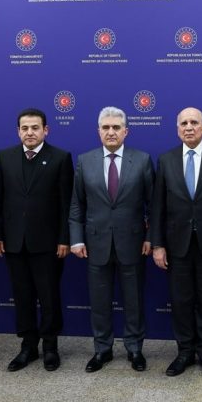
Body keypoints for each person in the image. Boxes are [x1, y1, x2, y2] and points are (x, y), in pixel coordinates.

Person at [0, 108, 73, 372]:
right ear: (18, 131)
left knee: (49, 296)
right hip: (13, 242)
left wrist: (64, 239)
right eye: (24, 128)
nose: (30, 132)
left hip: (48, 244)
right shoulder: (4, 157)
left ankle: (50, 347)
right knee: (22, 296)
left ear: (46, 130)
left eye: (35, 128)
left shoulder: (60, 158)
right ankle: (28, 347)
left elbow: (66, 204)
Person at [69, 106, 154, 373]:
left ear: (126, 131)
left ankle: (134, 349)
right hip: (96, 245)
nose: (111, 132)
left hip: (133, 243)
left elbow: (153, 205)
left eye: (116, 127)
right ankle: (102, 349)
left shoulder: (142, 160)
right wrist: (76, 239)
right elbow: (77, 205)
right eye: (106, 128)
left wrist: (151, 237)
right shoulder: (85, 161)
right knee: (99, 301)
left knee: (134, 300)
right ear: (98, 132)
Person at [152, 107, 202, 378]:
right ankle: (185, 351)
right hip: (177, 244)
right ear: (178, 130)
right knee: (181, 300)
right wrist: (158, 244)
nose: (189, 127)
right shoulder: (166, 160)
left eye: (194, 123)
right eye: (184, 123)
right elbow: (158, 206)